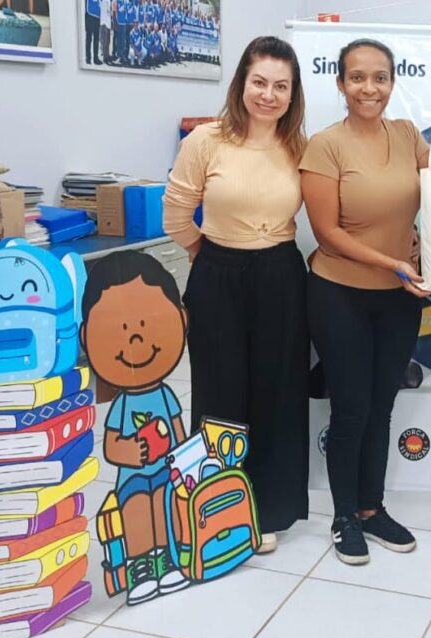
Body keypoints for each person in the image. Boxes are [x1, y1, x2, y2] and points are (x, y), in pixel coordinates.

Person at [300, 38, 431, 565]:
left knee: (383, 406)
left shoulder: (408, 134)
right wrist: (392, 262)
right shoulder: (325, 146)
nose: (369, 88)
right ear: (341, 84)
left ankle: (372, 508)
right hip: (339, 294)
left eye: (380, 77)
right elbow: (326, 233)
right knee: (351, 409)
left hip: (398, 297)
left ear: (391, 82)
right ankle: (345, 516)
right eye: (357, 77)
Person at [163, 36, 310, 554]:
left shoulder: (299, 146)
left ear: (292, 94)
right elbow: (175, 214)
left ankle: (269, 509)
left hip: (280, 274)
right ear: (241, 83)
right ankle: (218, 505)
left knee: (278, 392)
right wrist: (205, 254)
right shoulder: (206, 140)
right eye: (259, 82)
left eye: (281, 86)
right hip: (218, 273)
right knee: (219, 392)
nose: (269, 95)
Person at [81, 251, 190, 605]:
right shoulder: (123, 404)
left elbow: (178, 431)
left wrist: (185, 460)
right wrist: (130, 450)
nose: (136, 341)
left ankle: (168, 559)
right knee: (138, 508)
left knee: (167, 505)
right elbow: (112, 444)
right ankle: (141, 566)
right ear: (86, 337)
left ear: (181, 319)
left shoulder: (166, 396)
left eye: (145, 326)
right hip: (133, 478)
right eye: (124, 330)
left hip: (167, 472)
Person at [85, 0, 102, 66]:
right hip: (90, 15)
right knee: (89, 38)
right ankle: (88, 58)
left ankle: (96, 58)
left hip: (97, 16)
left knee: (96, 38)